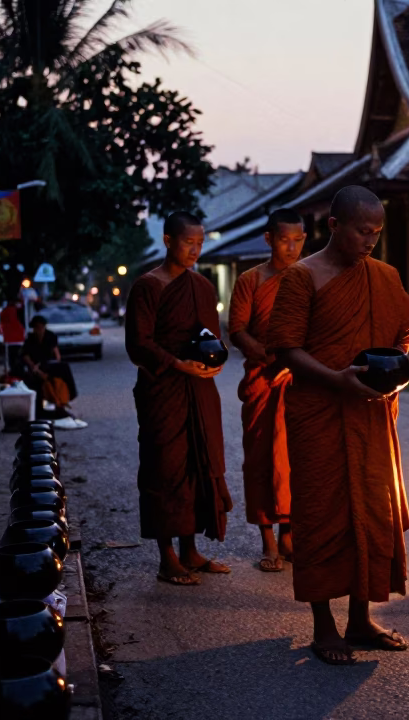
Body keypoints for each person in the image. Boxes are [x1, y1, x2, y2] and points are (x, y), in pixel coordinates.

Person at [267, 186, 409, 665]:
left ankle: (359, 618)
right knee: (322, 514)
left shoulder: (385, 277)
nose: (370, 240)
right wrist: (337, 379)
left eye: (377, 232)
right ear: (333, 226)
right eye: (362, 231)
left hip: (369, 413)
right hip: (321, 411)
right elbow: (286, 349)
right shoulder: (301, 278)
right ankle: (323, 625)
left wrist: (392, 374)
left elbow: (401, 334)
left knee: (370, 513)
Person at [125, 211, 233, 586]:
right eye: (189, 242)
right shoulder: (148, 286)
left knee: (199, 463)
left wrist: (214, 361)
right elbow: (138, 344)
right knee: (165, 467)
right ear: (168, 240)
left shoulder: (202, 287)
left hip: (200, 389)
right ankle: (166, 556)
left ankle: (190, 549)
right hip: (163, 389)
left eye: (201, 243)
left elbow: (211, 336)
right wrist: (177, 364)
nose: (195, 250)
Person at [229, 209, 306, 572]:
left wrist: (292, 363)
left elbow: (319, 330)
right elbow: (237, 329)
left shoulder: (310, 277)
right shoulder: (252, 279)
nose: (291, 247)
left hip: (299, 377)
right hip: (262, 376)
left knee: (295, 458)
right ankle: (268, 540)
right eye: (284, 239)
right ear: (269, 239)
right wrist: (267, 357)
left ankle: (291, 533)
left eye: (298, 239)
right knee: (261, 458)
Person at [21, 314, 82, 423]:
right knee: (35, 381)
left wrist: (54, 364)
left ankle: (66, 400)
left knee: (63, 368)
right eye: (36, 328)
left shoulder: (50, 336)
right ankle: (39, 410)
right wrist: (37, 370)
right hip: (36, 368)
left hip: (48, 365)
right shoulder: (30, 339)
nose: (39, 330)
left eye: (41, 327)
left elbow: (56, 354)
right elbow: (26, 357)